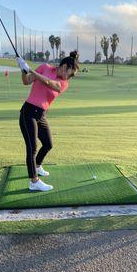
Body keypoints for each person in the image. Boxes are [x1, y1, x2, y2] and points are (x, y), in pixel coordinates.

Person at [16, 51, 79, 191]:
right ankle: (34, 181)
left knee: (48, 144)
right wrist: (23, 69)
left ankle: (37, 166)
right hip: (29, 112)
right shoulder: (44, 67)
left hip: (41, 115)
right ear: (64, 66)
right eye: (70, 72)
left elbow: (49, 83)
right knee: (32, 148)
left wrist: (31, 70)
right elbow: (26, 81)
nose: (69, 76)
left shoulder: (63, 83)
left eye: (71, 75)